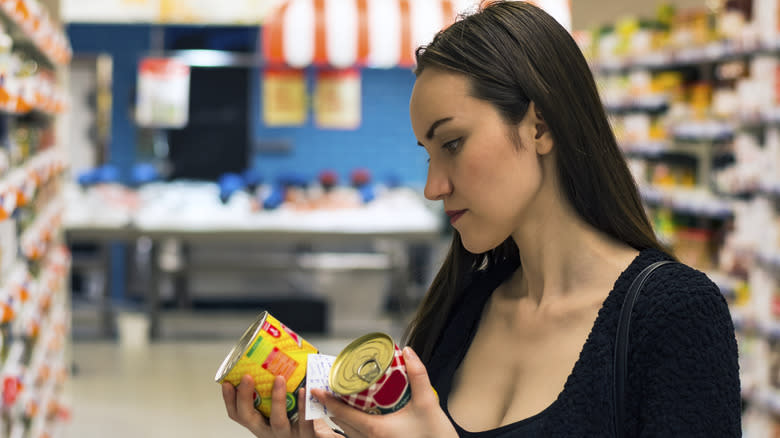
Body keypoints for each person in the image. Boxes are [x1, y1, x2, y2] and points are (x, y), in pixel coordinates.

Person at [222, 1, 742, 436]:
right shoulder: (465, 304)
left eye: (453, 143)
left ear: (539, 126)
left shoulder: (674, 315)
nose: (433, 186)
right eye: (429, 154)